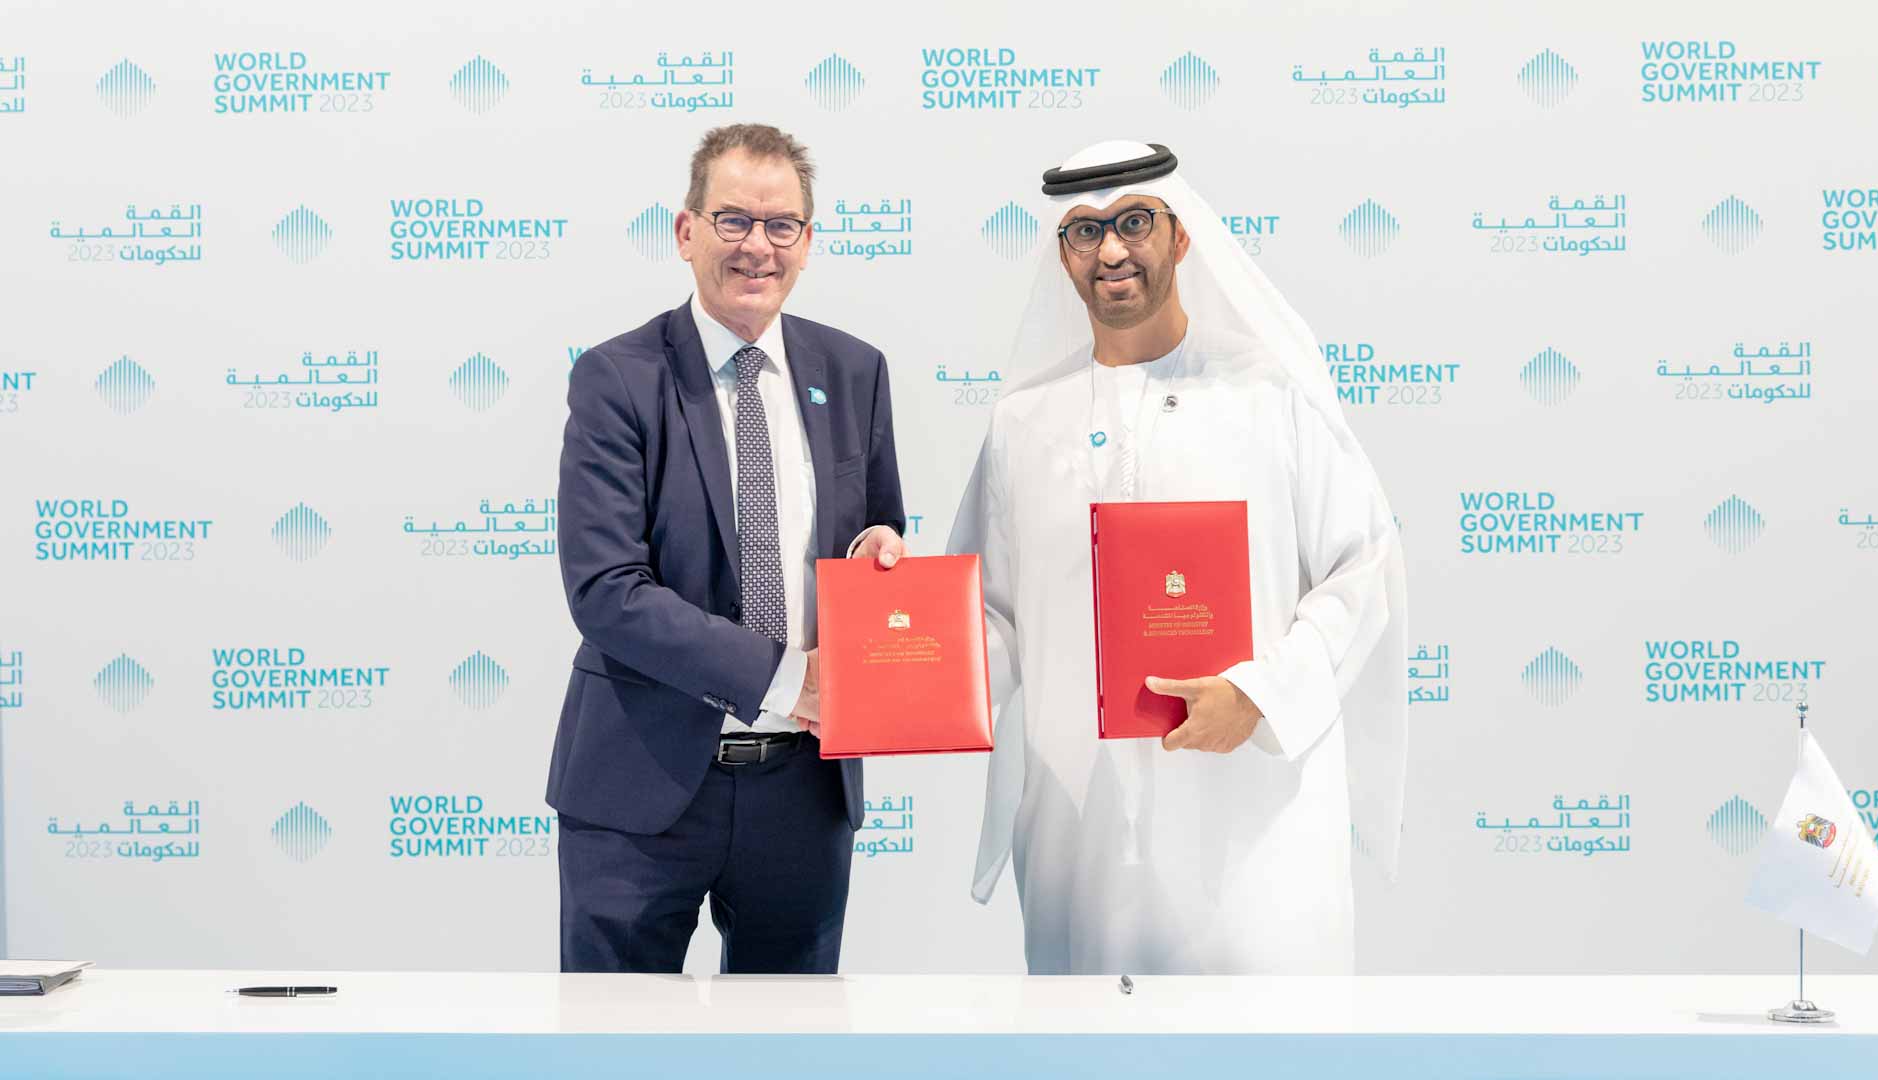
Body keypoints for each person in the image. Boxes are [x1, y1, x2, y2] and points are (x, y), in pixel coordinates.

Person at [949, 140, 1408, 974]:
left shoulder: (1270, 396)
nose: (1111, 251)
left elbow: (1363, 566)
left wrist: (1259, 695)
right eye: (1085, 232)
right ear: (1062, 254)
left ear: (1181, 234)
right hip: (1080, 831)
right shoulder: (1024, 423)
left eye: (1134, 223)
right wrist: (889, 679)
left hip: (1251, 823)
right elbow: (994, 618)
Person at [549, 123, 907, 974]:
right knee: (615, 1037)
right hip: (641, 787)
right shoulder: (618, 377)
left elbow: (879, 529)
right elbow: (607, 590)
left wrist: (883, 554)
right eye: (733, 220)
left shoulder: (854, 371)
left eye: (781, 224)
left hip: (805, 791)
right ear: (686, 232)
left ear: (807, 242)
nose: (758, 246)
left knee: (792, 1038)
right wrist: (790, 677)